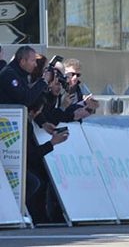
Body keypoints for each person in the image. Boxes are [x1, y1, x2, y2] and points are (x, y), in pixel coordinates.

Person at [25, 96, 69, 224]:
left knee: (42, 181)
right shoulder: (26, 125)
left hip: (27, 161)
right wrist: (52, 143)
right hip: (21, 162)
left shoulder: (28, 122)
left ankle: (39, 215)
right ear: (31, 112)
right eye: (38, 113)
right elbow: (31, 154)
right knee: (34, 183)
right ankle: (22, 210)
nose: (38, 116)